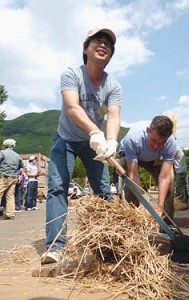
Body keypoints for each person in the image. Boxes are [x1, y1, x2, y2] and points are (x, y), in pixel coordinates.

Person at [41, 27, 122, 264]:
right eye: (97, 40)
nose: (103, 44)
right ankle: (55, 246)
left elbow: (114, 116)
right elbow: (73, 107)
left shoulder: (113, 86)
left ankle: (106, 245)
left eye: (108, 43)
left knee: (104, 191)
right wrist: (95, 131)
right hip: (65, 138)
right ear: (85, 48)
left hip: (93, 143)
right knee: (57, 187)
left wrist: (111, 141)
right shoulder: (71, 74)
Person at [119, 116, 177, 220]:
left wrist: (160, 206)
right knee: (130, 186)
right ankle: (133, 219)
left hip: (153, 159)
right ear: (148, 131)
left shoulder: (171, 144)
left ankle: (167, 223)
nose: (156, 146)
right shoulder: (133, 139)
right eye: (154, 141)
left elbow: (164, 177)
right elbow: (134, 174)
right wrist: (143, 202)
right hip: (130, 156)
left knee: (170, 185)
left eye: (161, 143)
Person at [0, 139, 24, 220]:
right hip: (14, 177)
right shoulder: (17, 155)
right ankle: (10, 214)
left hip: (4, 176)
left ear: (5, 145)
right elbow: (21, 164)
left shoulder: (2, 153)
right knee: (10, 196)